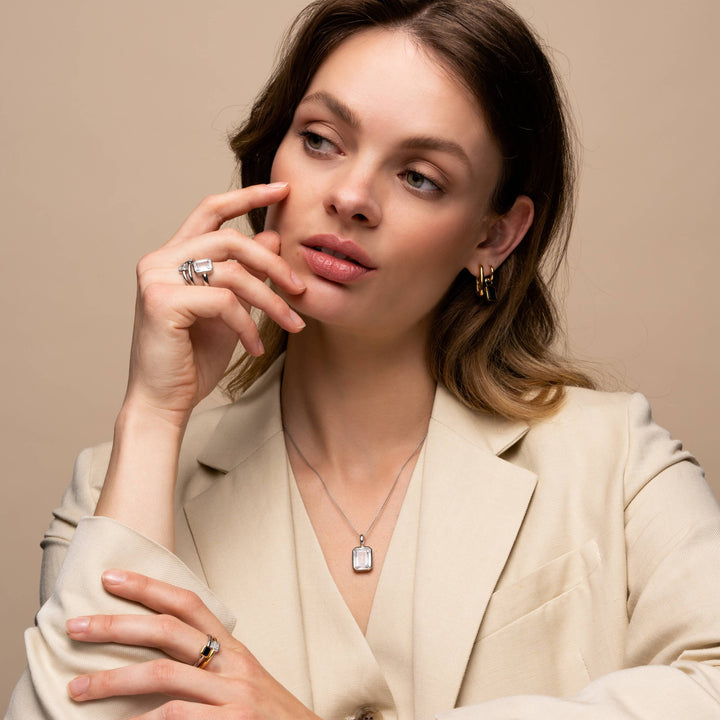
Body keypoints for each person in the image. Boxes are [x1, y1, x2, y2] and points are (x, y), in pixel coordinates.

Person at [6, 0, 720, 718]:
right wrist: (154, 413)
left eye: (419, 177)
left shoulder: (618, 462)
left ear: (494, 236)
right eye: (320, 140)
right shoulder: (118, 484)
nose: (350, 197)